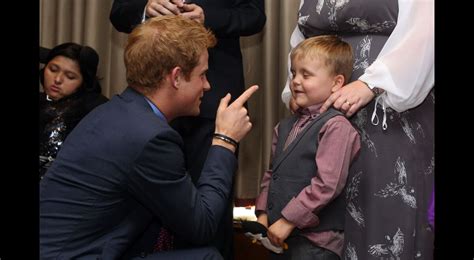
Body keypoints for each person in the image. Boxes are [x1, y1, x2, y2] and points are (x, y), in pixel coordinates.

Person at [39, 15, 259, 259]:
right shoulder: (150, 137)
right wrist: (224, 140)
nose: (207, 86)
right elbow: (203, 225)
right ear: (176, 77)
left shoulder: (115, 111)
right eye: (202, 75)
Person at [109, 1, 266, 258]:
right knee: (145, 203)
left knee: (210, 201)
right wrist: (147, 8)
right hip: (152, 89)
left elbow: (254, 16)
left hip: (212, 93)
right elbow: (119, 11)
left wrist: (208, 16)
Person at [280, 0, 434, 259]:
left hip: (389, 113)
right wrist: (295, 85)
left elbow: (426, 30)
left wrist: (372, 84)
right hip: (321, 115)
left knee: (383, 216)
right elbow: (303, 34)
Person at [255, 35, 361, 260]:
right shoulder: (284, 126)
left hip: (316, 244)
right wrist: (263, 213)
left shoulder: (336, 126)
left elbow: (327, 185)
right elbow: (272, 174)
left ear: (336, 83)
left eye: (306, 74)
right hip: (280, 236)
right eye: (294, 73)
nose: (295, 81)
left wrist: (288, 220)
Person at [39, 42, 108, 180]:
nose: (57, 80)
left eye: (70, 77)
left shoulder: (95, 111)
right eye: (52, 69)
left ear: (84, 82)